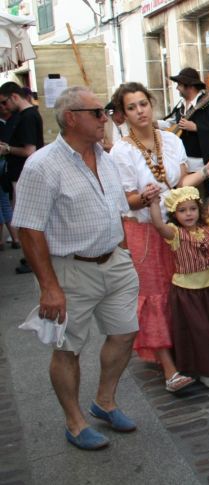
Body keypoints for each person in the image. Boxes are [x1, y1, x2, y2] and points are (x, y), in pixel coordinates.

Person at [12, 86, 139, 450]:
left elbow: (116, 210)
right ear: (71, 118)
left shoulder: (106, 156)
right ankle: (75, 421)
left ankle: (105, 401)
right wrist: (49, 287)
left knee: (125, 332)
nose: (106, 118)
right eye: (98, 112)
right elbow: (29, 230)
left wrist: (125, 254)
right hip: (71, 270)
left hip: (114, 263)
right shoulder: (43, 166)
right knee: (68, 348)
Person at [110, 81, 209, 393]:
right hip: (144, 230)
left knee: (182, 293)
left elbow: (181, 180)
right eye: (131, 107)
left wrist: (208, 172)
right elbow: (126, 199)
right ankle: (168, 368)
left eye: (143, 104)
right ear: (123, 114)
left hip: (178, 228)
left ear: (151, 104)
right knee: (154, 295)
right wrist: (144, 198)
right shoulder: (121, 151)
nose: (139, 111)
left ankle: (187, 354)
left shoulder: (171, 141)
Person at [148, 182, 209, 388]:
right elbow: (158, 224)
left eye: (192, 209)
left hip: (206, 288)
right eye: (182, 211)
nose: (189, 214)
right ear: (175, 214)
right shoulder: (175, 234)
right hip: (186, 292)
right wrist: (154, 203)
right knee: (199, 330)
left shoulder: (206, 226)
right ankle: (205, 370)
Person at [170, 67, 209, 215]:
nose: (177, 88)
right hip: (186, 163)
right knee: (189, 200)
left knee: (205, 199)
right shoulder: (182, 105)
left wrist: (196, 127)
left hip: (203, 162)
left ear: (189, 86)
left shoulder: (207, 103)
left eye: (180, 84)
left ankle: (206, 231)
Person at [0, 82, 43, 273]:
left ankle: (34, 259)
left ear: (14, 97)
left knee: (26, 222)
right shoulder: (25, 116)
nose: (3, 107)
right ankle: (32, 258)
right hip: (21, 175)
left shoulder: (27, 117)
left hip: (25, 176)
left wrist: (7, 149)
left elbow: (29, 150)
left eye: (4, 102)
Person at [0, 98, 20, 250]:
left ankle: (3, 240)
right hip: (5, 164)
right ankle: (15, 238)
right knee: (5, 201)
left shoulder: (12, 120)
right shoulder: (11, 121)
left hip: (5, 163)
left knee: (4, 201)